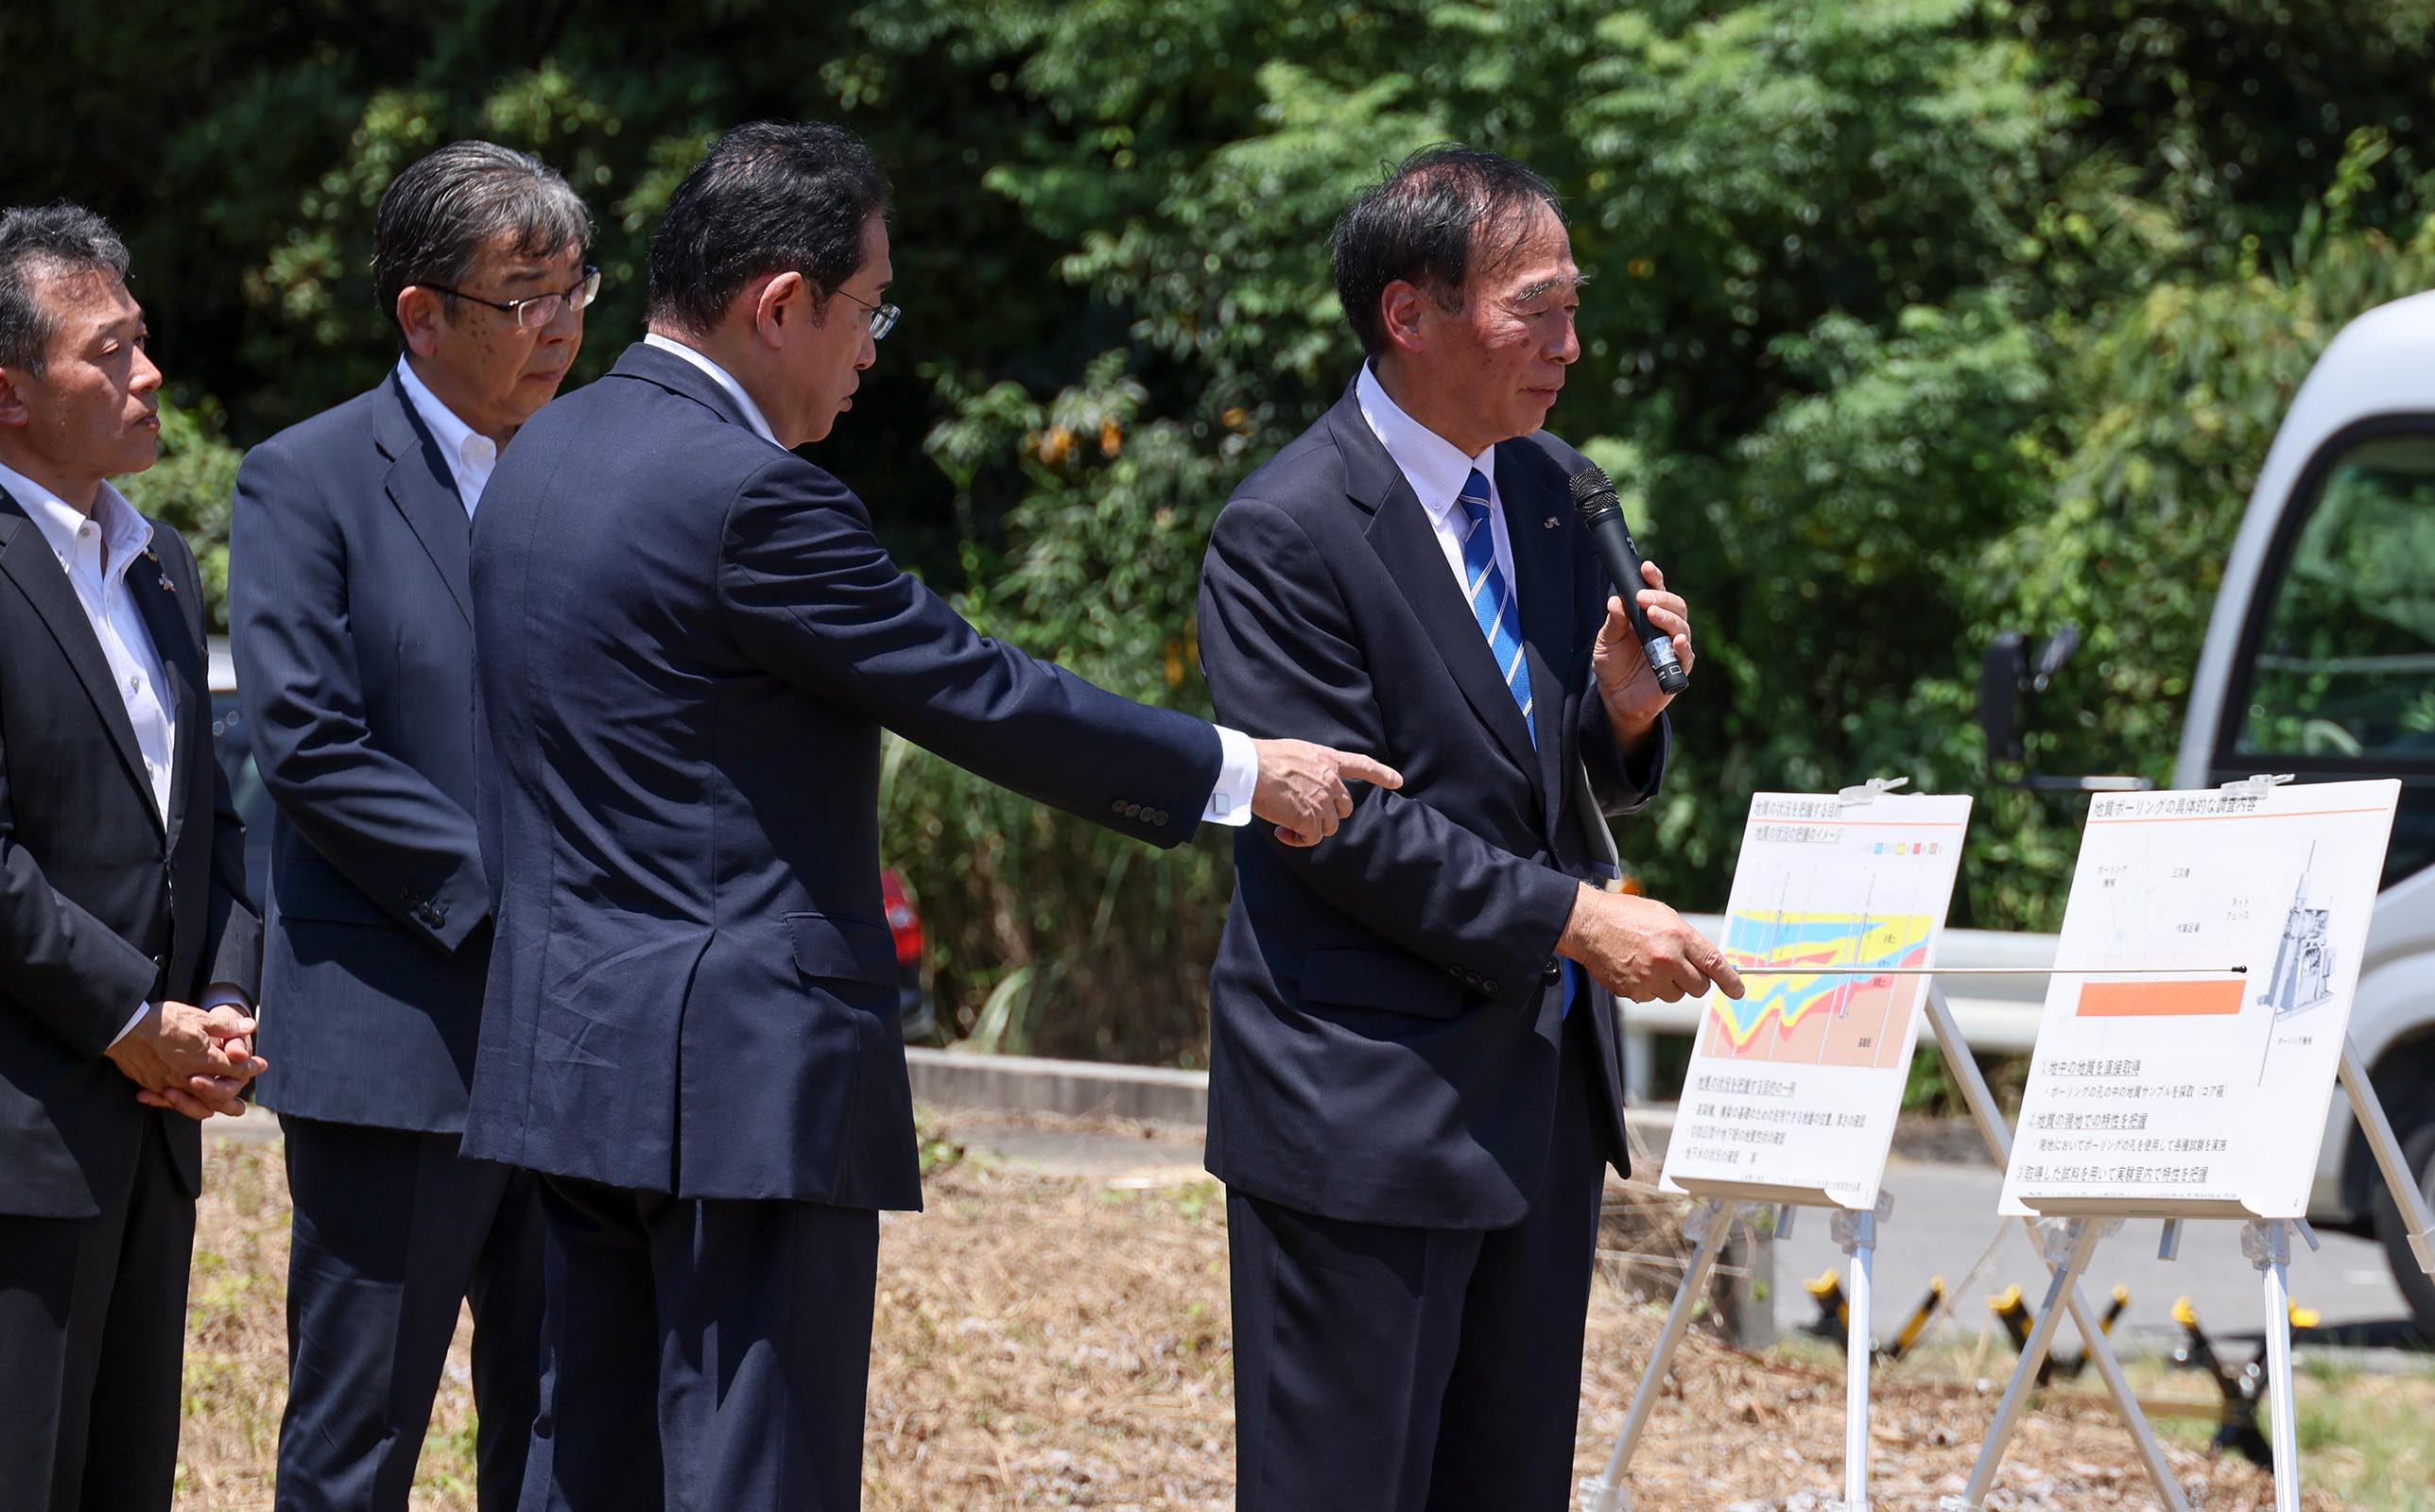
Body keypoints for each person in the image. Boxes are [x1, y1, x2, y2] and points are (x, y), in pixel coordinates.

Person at [459, 120, 1400, 1508]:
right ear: (780, 302)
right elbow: (974, 689)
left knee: (584, 1461)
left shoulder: (535, 454)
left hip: (568, 1055)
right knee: (750, 1467)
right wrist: (1247, 771)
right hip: (741, 1084)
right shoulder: (752, 498)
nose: (872, 347)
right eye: (866, 309)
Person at [1196, 146, 1745, 1510]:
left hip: (1536, 1099)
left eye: (1573, 306)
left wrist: (1617, 718)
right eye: (1538, 308)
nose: (1572, 342)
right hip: (1362, 1108)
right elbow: (1347, 829)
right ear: (1409, 312)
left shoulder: (1549, 488)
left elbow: (1524, 778)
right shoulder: (1285, 529)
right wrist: (1581, 922)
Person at [229, 141, 593, 1510]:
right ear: (421, 314)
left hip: (575, 1045)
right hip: (398, 1036)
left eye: (575, 289)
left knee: (569, 1422)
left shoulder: (595, 470)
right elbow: (312, 742)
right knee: (359, 1431)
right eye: (524, 296)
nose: (558, 325)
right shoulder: (304, 477)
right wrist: (515, 902)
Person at [0, 201, 265, 1510]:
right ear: (10, 394)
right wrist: (123, 1015)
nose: (147, 374)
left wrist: (219, 1002)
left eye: (141, 338)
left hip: (155, 1124)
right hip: (24, 1125)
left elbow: (208, 820)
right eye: (107, 352)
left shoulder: (159, 560)